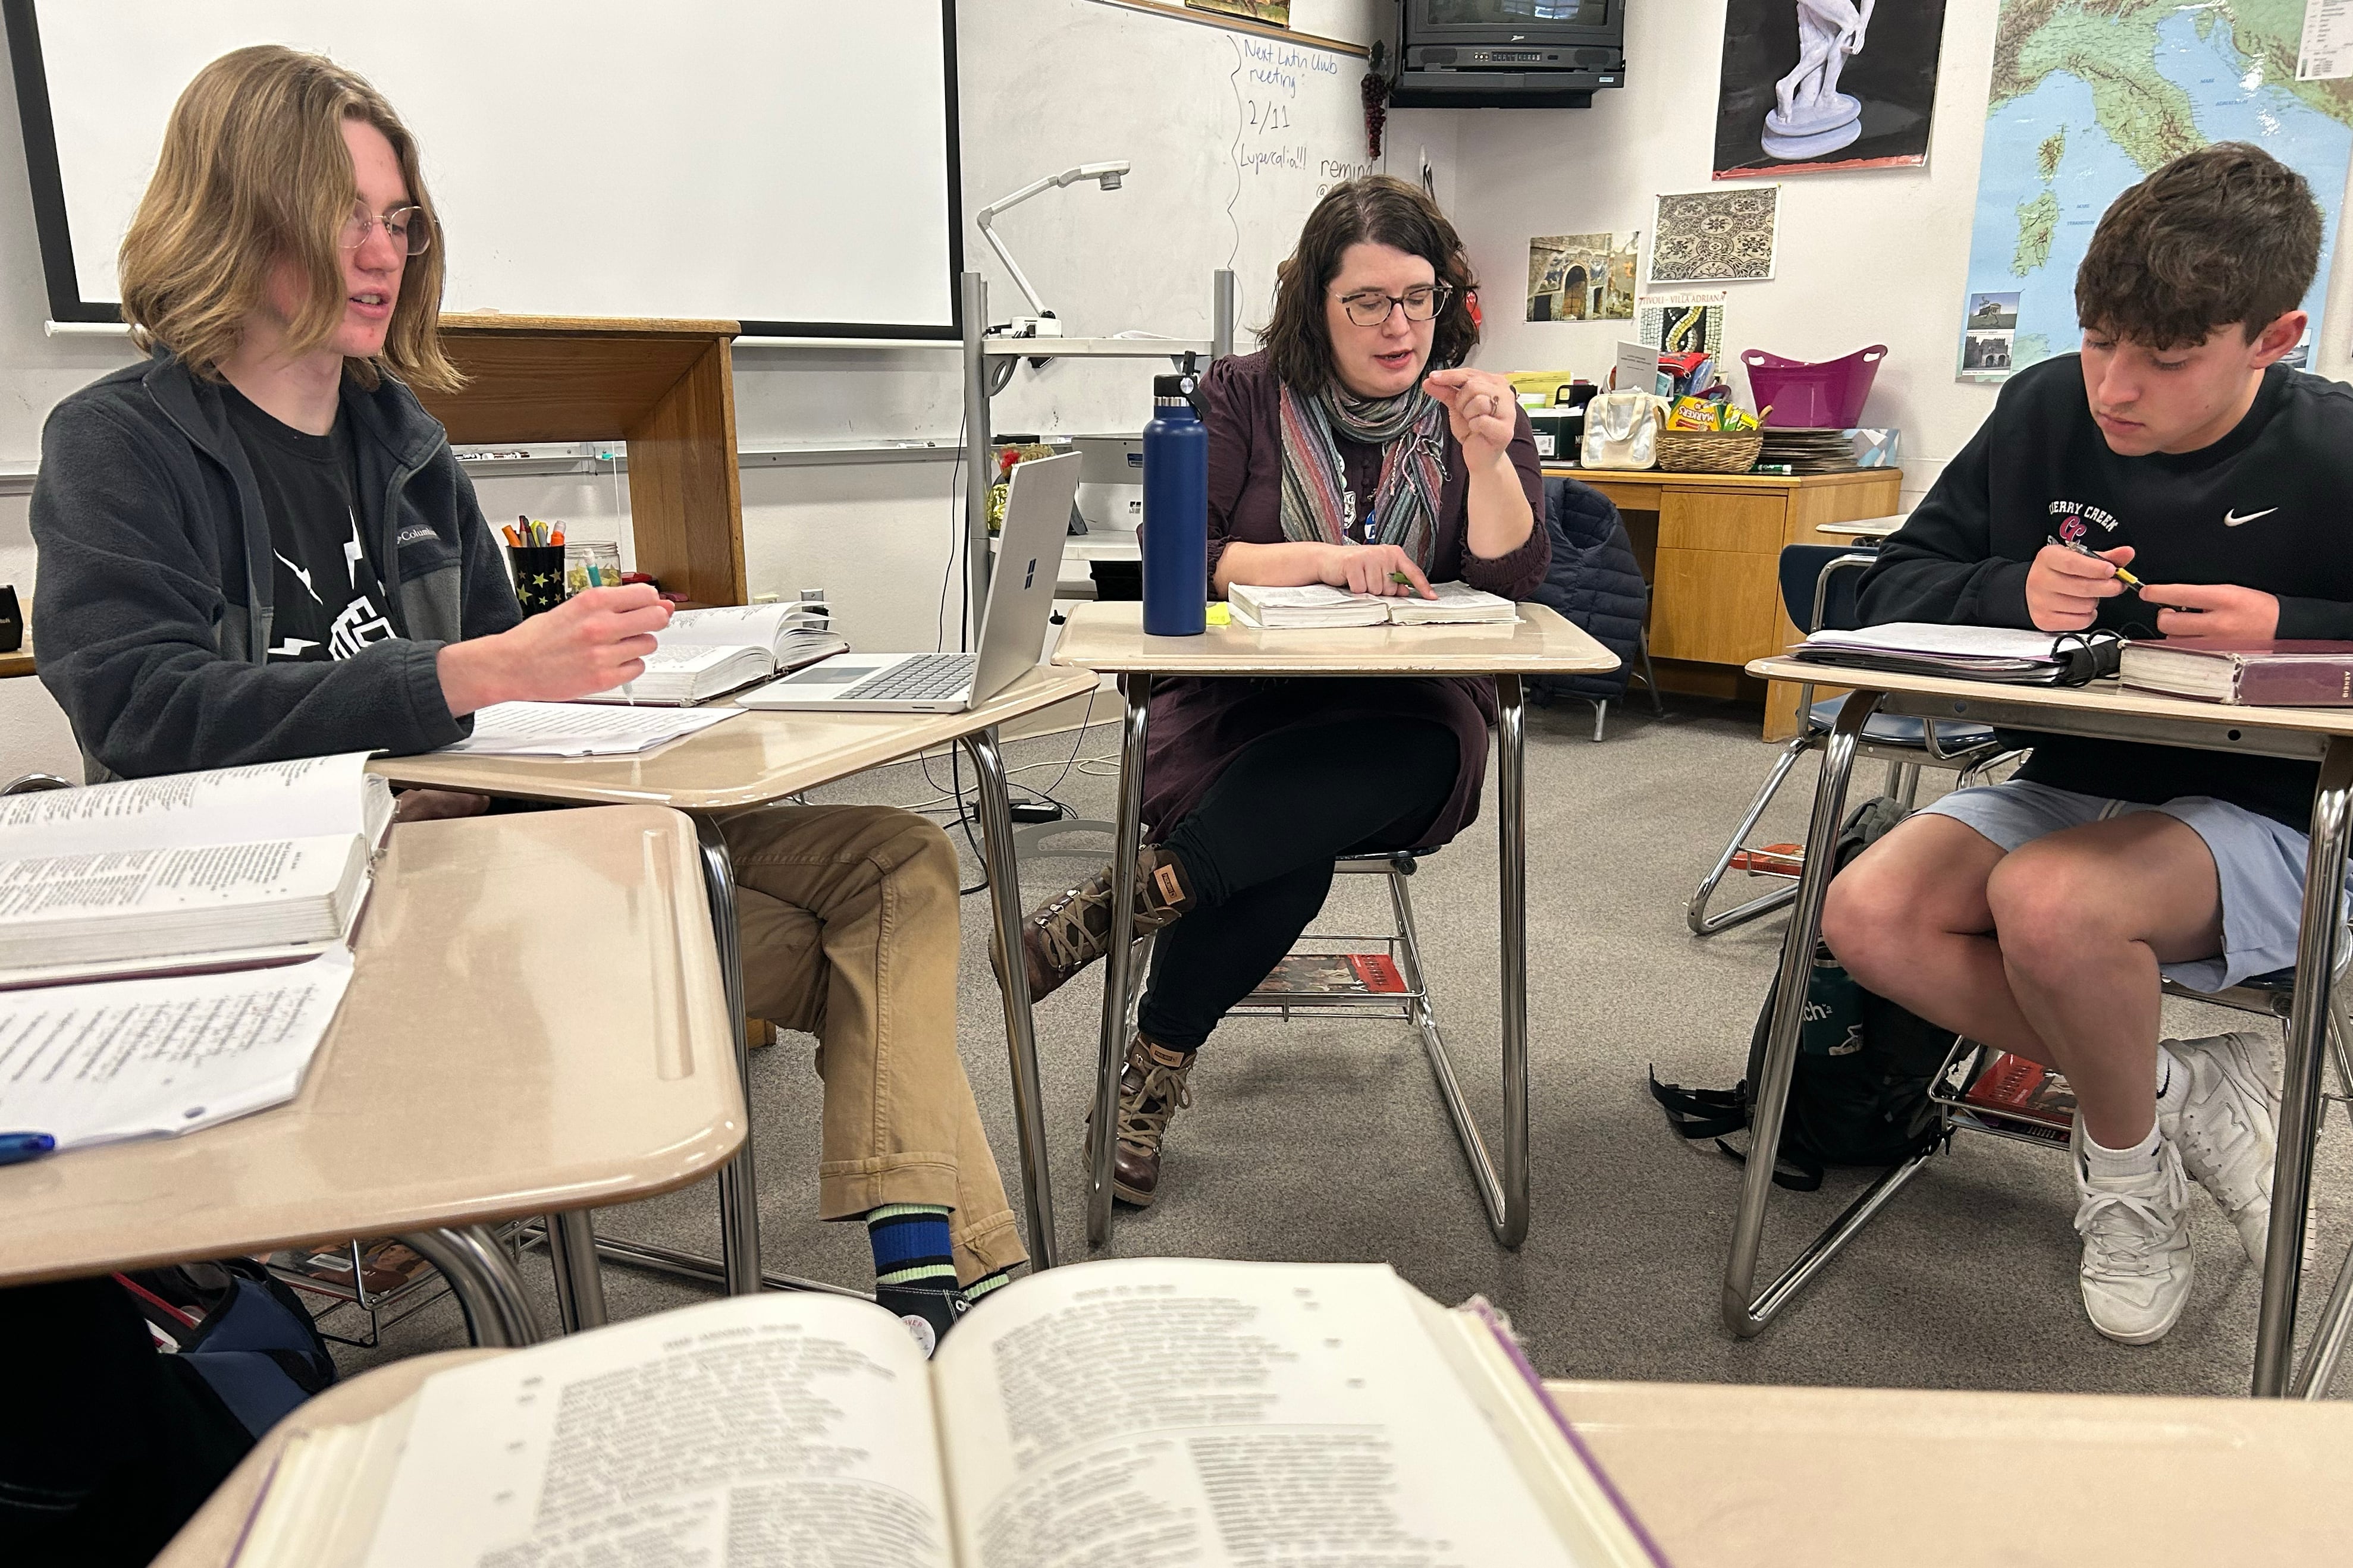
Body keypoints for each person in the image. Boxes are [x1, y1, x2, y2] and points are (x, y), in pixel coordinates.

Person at [29, 47, 1022, 1355]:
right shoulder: (123, 442)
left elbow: (513, 697)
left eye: (399, 221)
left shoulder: (402, 442)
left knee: (893, 860)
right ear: (240, 214)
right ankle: (970, 1296)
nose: (382, 254)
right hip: (343, 950)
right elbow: (139, 707)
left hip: (501, 888)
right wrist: (464, 679)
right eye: (346, 218)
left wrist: (640, 688)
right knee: (847, 920)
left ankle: (938, 1291)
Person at [1818, 143, 2353, 1345]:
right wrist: (2008, 588)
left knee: (2049, 901)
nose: (2115, 387)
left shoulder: (2334, 448)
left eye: (2164, 361)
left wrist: (2294, 629)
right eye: (2100, 339)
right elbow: (1880, 585)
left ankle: (2123, 1180)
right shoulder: (2044, 405)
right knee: (1866, 913)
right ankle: (2173, 1085)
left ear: (2275, 336)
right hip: (2075, 778)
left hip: (2279, 812)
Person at [1014, 175, 1548, 1206]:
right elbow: (1195, 551)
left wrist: (1488, 461)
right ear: (1318, 304)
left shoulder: (1475, 405)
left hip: (1408, 714)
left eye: (1420, 297)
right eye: (1369, 301)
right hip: (1244, 704)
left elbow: (1514, 582)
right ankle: (1150, 1070)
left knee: (1396, 761)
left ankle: (1127, 901)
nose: (1401, 325)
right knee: (1285, 859)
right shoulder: (1242, 393)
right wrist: (1325, 559)